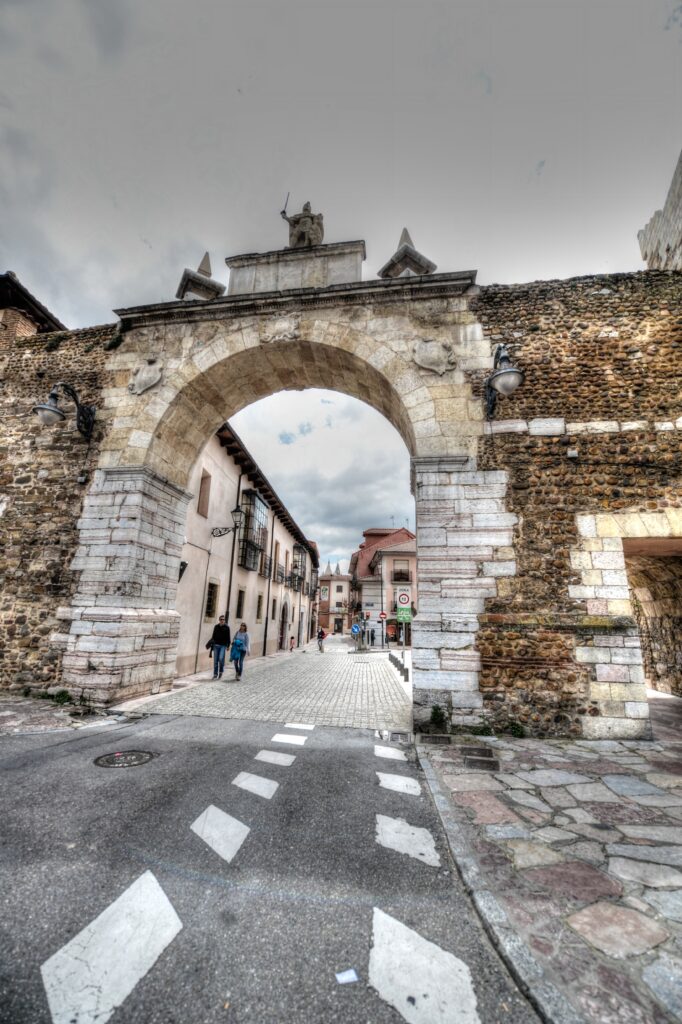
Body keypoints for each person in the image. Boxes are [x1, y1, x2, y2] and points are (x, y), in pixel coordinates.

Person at [208, 615, 231, 680]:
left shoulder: (227, 627)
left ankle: (221, 671)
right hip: (216, 645)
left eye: (223, 619)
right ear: (219, 620)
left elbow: (228, 637)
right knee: (215, 661)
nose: (222, 620)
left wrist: (228, 646)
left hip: (223, 646)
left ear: (224, 620)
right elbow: (213, 636)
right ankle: (215, 674)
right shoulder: (216, 627)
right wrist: (212, 645)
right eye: (221, 619)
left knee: (221, 659)